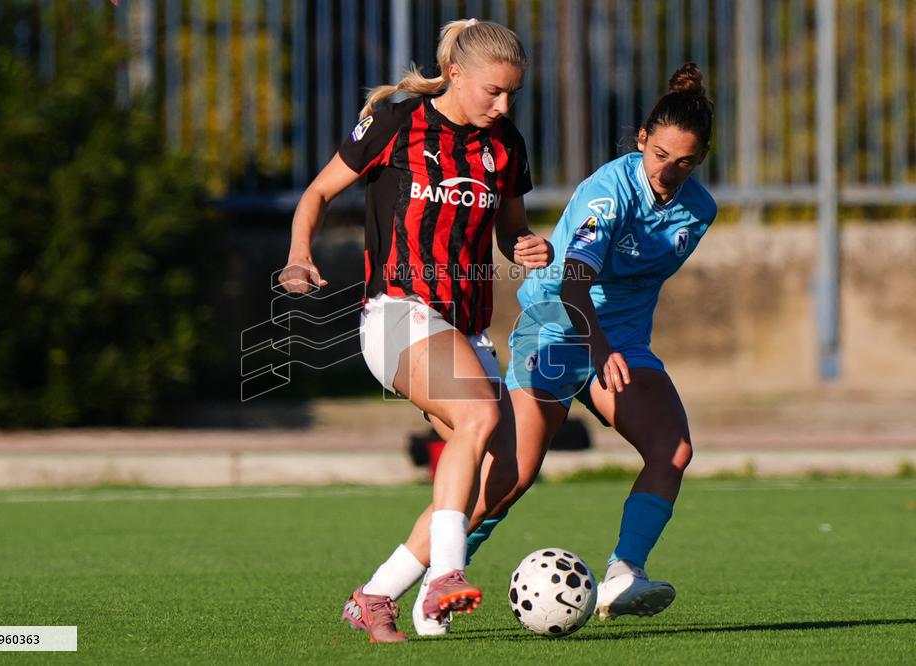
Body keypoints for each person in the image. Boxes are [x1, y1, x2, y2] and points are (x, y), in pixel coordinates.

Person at [279, 19, 551, 643]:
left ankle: (376, 596)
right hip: (398, 314)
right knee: (478, 417)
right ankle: (446, 577)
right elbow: (317, 193)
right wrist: (298, 254)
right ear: (455, 74)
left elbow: (511, 230)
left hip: (466, 329)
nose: (503, 106)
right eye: (493, 91)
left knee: (505, 475)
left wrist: (527, 246)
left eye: (512, 94)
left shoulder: (505, 144)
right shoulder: (397, 123)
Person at [452, 62, 718, 627]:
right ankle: (438, 574)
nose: (668, 170)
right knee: (512, 478)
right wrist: (596, 348)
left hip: (620, 344)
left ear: (700, 160)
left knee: (672, 450)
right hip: (556, 328)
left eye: (685, 162)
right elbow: (575, 282)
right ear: (641, 139)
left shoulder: (699, 212)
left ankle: (624, 572)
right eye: (659, 154)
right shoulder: (607, 192)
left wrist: (609, 347)